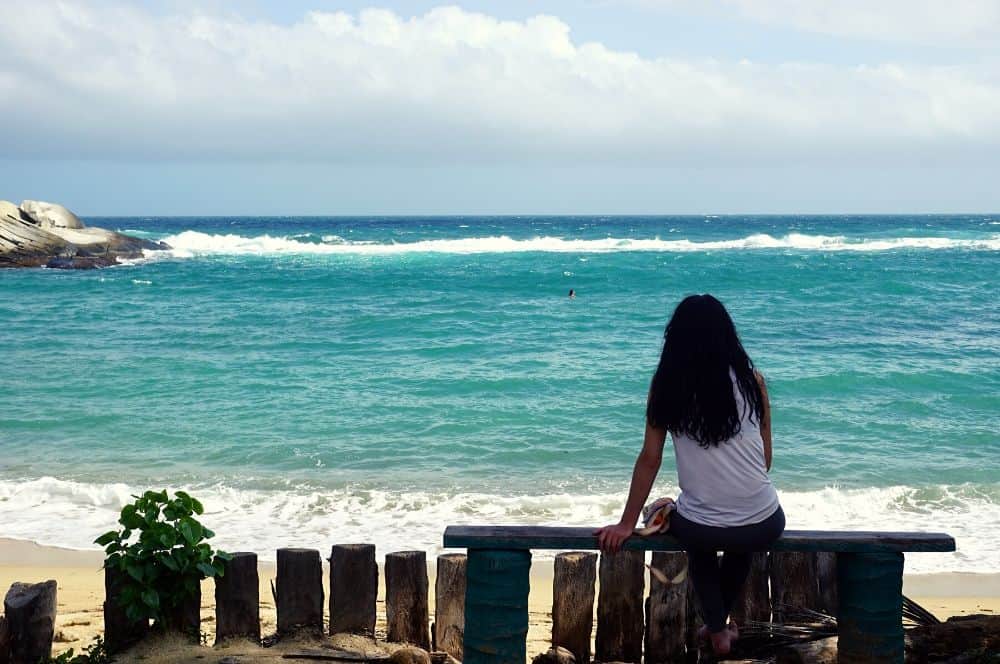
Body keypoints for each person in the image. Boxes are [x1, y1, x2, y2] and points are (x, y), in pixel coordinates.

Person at [595, 294, 784, 656]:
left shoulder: (666, 386)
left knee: (695, 532)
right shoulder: (752, 381)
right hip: (765, 521)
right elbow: (765, 462)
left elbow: (650, 459)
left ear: (675, 339)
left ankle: (718, 631)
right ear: (727, 336)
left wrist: (626, 523)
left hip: (704, 528)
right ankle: (718, 629)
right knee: (740, 536)